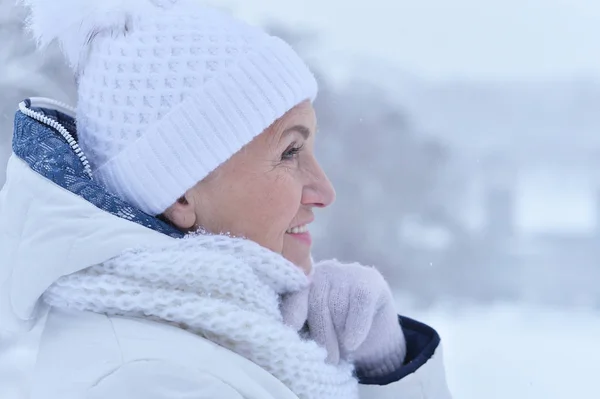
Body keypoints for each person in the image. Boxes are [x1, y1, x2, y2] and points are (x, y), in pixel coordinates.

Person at [0, 0, 452, 398]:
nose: (324, 191)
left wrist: (384, 365)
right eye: (289, 152)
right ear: (179, 193)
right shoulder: (151, 381)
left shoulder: (225, 341)